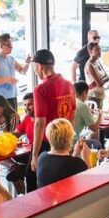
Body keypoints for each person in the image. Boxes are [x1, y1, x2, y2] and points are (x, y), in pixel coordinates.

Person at [29, 49, 76, 186]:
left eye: (34, 68)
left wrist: (34, 155)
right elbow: (72, 116)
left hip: (47, 143)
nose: (35, 71)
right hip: (64, 140)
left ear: (39, 66)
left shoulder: (41, 89)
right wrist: (69, 142)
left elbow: (40, 123)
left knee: (33, 179)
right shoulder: (69, 85)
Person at [36, 119, 90, 188]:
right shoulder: (77, 164)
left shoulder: (42, 157)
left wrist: (75, 153)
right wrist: (86, 158)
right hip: (68, 198)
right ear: (70, 138)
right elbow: (89, 184)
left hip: (45, 198)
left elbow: (61, 167)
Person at [0, 33, 31, 111]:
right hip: (1, 98)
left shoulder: (11, 58)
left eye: (11, 45)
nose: (11, 48)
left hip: (13, 95)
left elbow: (22, 71)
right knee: (4, 121)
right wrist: (7, 80)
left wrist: (27, 63)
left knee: (14, 120)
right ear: (1, 46)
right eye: (9, 46)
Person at [83, 42, 109, 108]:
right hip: (93, 96)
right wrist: (102, 80)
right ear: (90, 51)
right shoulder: (89, 65)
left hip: (100, 94)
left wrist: (101, 81)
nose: (99, 51)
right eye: (97, 50)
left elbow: (107, 77)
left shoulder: (97, 62)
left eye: (100, 49)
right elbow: (99, 83)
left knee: (100, 115)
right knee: (95, 116)